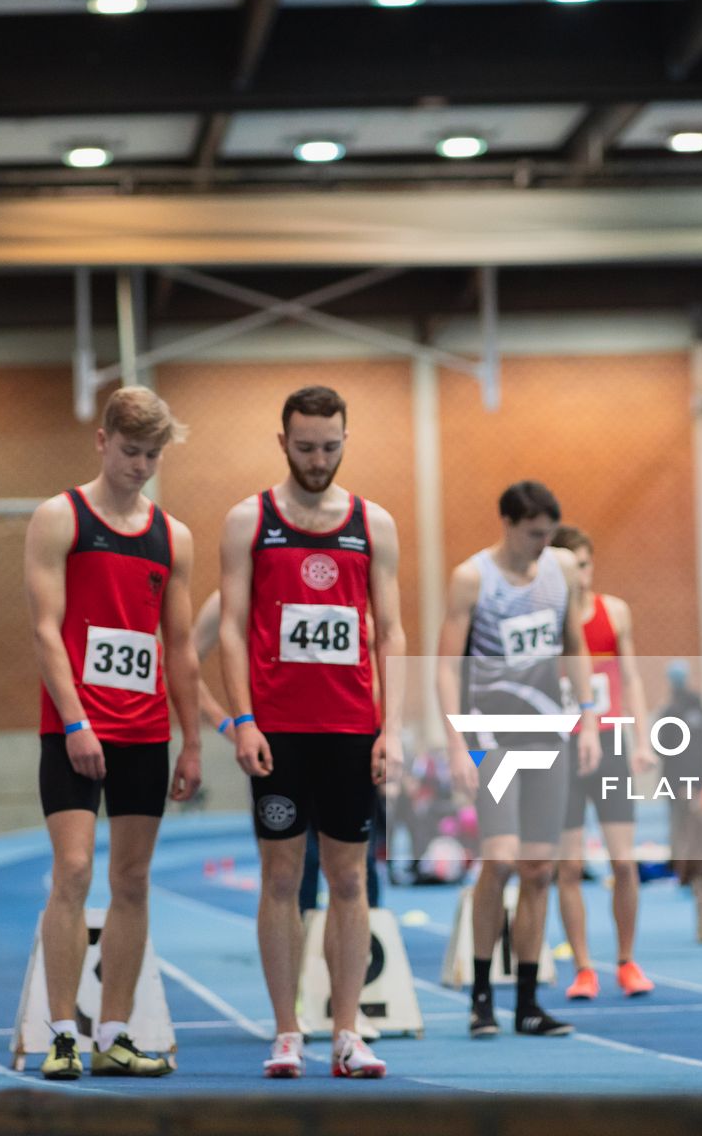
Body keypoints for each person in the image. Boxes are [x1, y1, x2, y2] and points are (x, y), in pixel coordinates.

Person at [218, 386, 406, 1080]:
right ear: (282, 442)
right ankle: (287, 1031)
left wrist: (391, 727)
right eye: (305, 448)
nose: (318, 459)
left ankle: (349, 1032)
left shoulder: (371, 524)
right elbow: (231, 631)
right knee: (280, 877)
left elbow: (391, 632)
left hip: (352, 728)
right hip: (278, 732)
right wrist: (241, 719)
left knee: (350, 878)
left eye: (330, 447)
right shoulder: (250, 521)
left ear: (345, 440)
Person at [23, 387, 203, 1080]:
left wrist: (191, 739)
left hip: (145, 731)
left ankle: (118, 1032)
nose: (141, 466)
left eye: (153, 455)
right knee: (72, 871)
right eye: (131, 452)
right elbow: (45, 630)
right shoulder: (58, 519)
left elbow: (180, 646)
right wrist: (75, 721)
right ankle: (64, 1031)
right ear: (102, 442)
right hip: (73, 727)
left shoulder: (172, 536)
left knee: (132, 880)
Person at [439, 481, 600, 1040]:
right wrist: (456, 742)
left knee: (539, 869)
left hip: (546, 733)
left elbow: (574, 646)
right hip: (493, 736)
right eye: (533, 533)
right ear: (506, 523)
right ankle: (482, 995)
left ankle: (527, 1003)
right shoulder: (473, 578)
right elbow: (445, 666)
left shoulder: (559, 571)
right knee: (500, 859)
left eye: (548, 534)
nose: (541, 544)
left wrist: (588, 721)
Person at [193, 591, 387, 914]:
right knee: (293, 872)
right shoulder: (234, 595)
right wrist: (231, 724)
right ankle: (294, 962)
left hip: (346, 745)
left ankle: (362, 959)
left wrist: (376, 724)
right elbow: (185, 661)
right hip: (281, 750)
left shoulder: (351, 584)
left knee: (358, 871)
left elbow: (379, 652)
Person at [549, 526, 657, 1001]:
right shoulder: (546, 618)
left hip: (611, 742)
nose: (582, 575)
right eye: (572, 567)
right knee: (567, 868)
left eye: (586, 565)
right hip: (564, 748)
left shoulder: (614, 612)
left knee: (624, 863)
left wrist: (643, 739)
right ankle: (583, 967)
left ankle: (627, 960)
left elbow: (630, 677)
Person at [660, 663, 702, 883]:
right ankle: (684, 867)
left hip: (683, 778)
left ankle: (686, 869)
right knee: (684, 824)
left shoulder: (676, 709)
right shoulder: (690, 708)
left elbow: (669, 747)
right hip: (684, 778)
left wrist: (687, 782)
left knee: (686, 825)